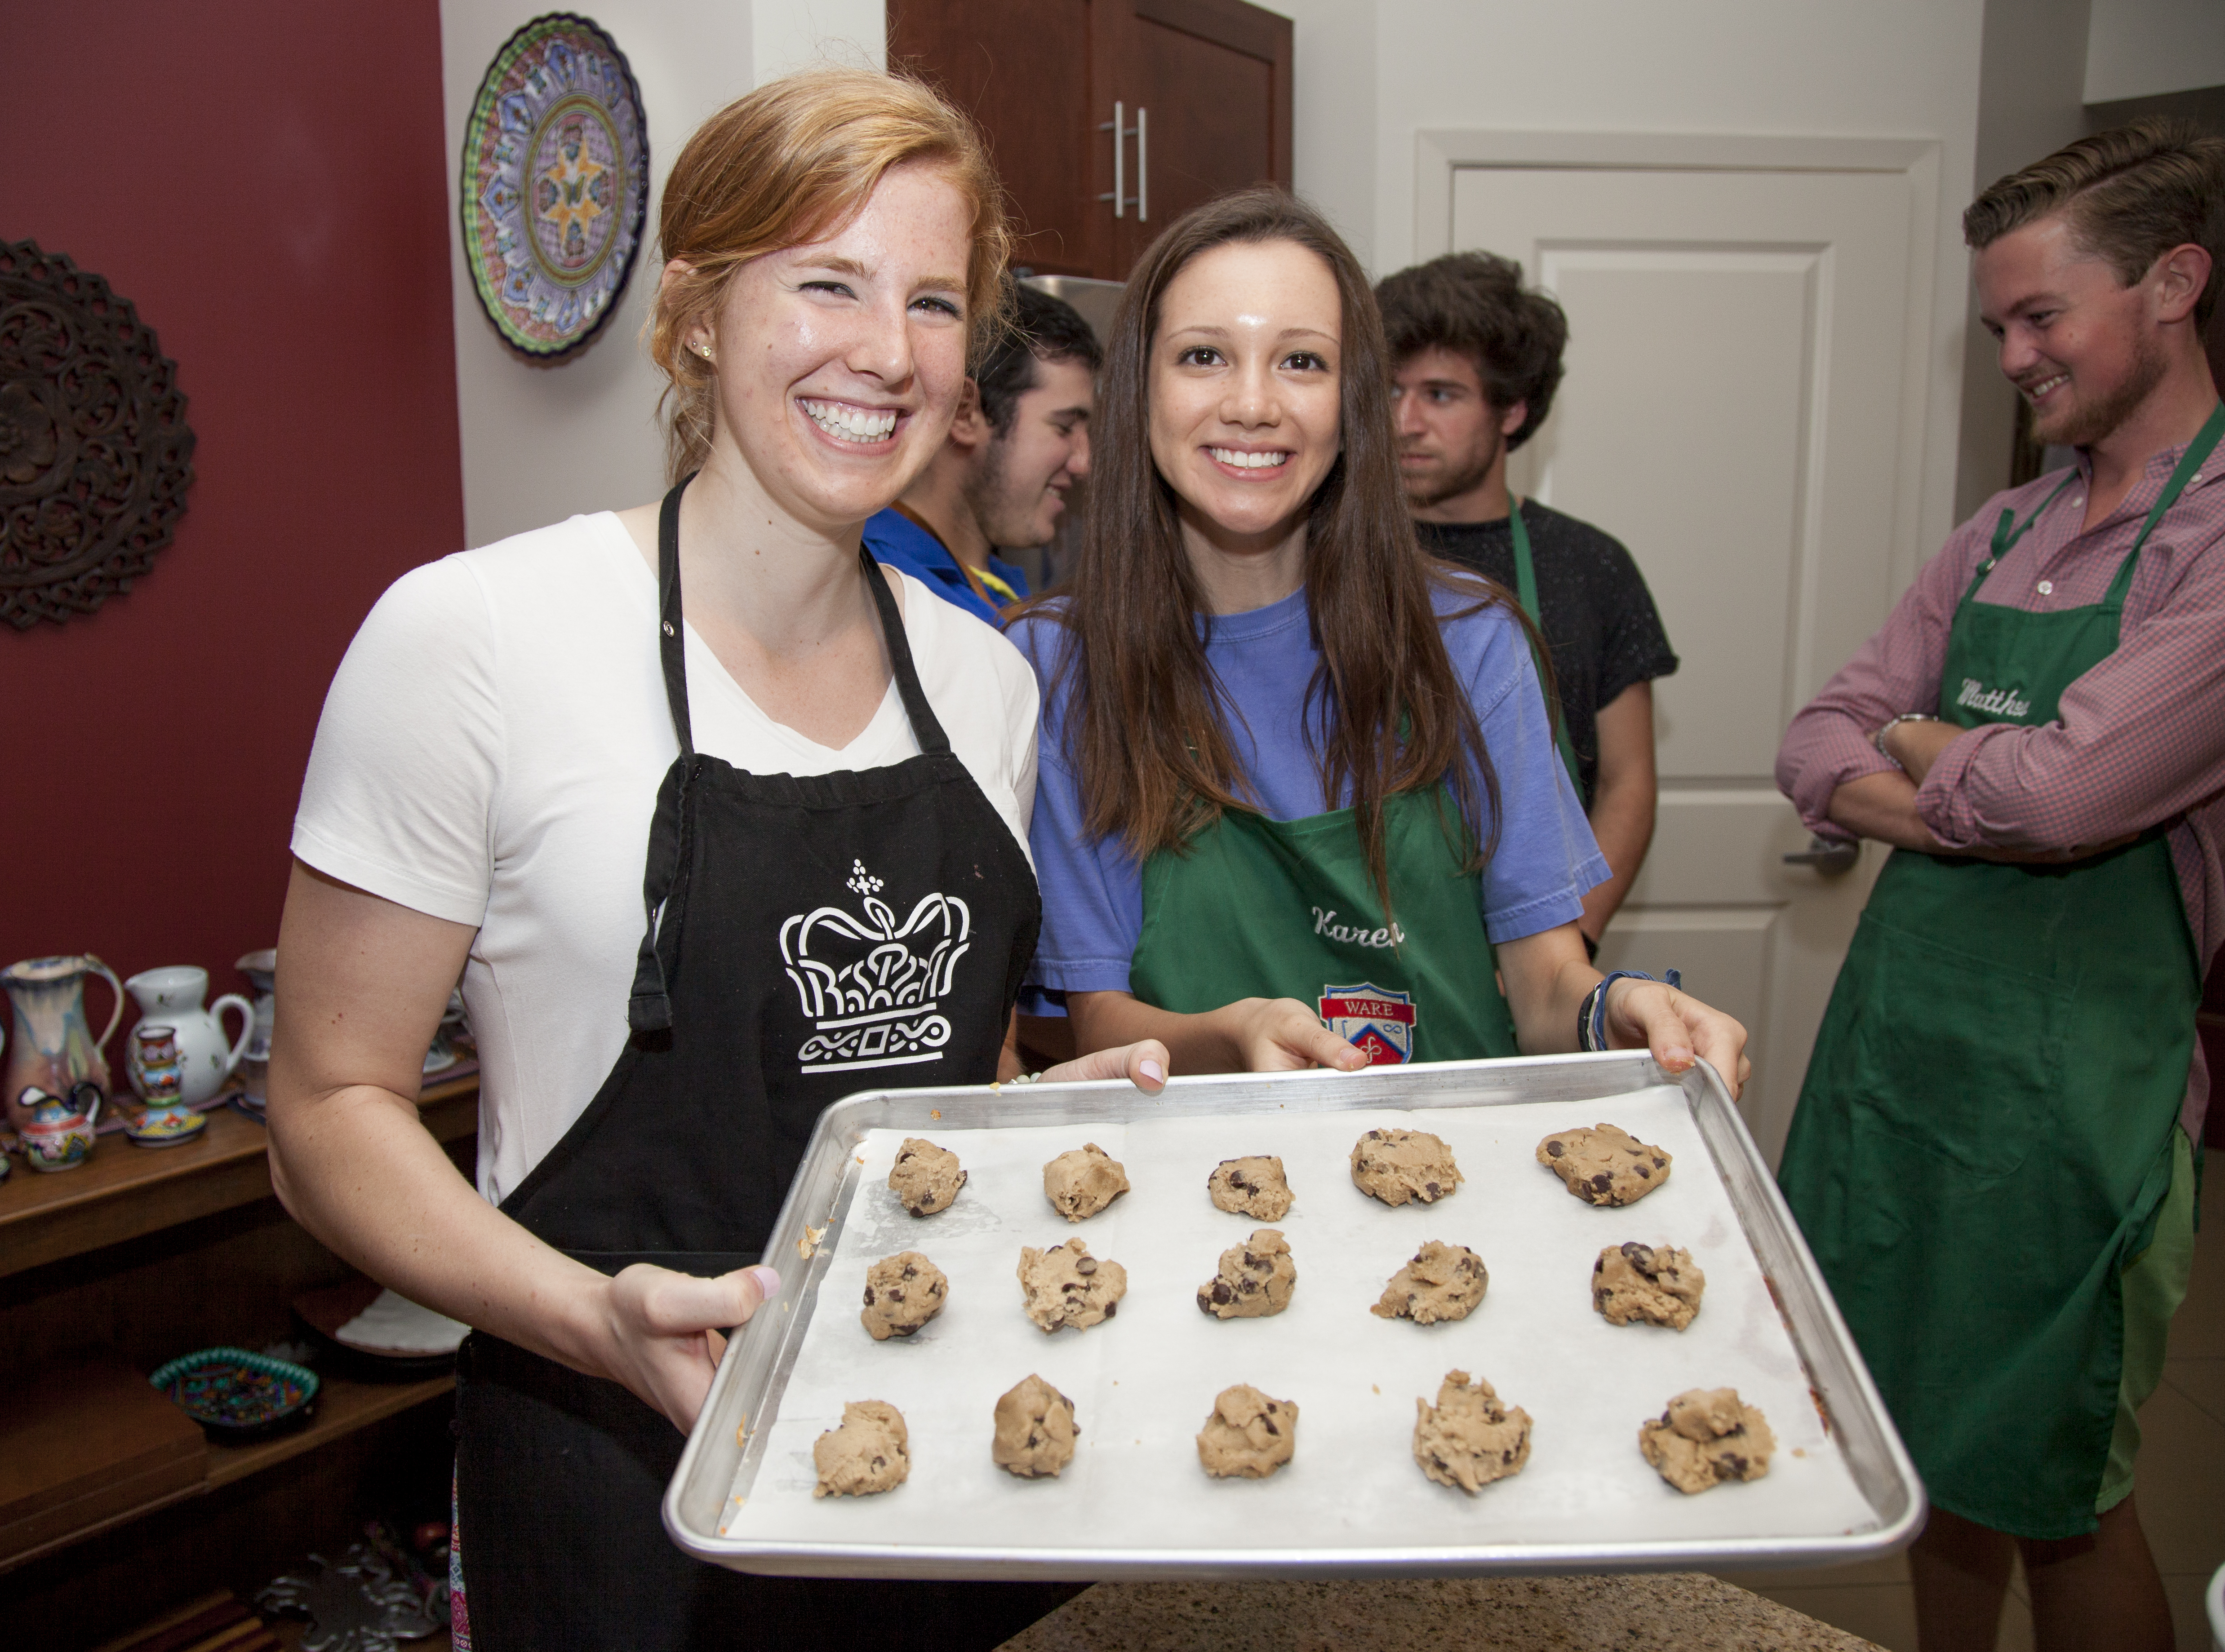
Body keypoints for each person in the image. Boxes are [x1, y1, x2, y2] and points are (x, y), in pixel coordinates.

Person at [266, 68, 1167, 1652]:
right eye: (826, 281)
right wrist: (590, 1318)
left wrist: (1035, 1121)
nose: (884, 352)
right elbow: (325, 1111)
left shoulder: (987, 682)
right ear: (691, 310)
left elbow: (897, 1079)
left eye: (933, 301)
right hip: (611, 1459)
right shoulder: (474, 640)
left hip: (947, 1441)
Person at [1774, 120, 2224, 1652]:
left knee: (2055, 1484)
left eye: (2042, 317)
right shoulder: (2008, 524)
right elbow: (1812, 738)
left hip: (2080, 1091)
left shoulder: (2216, 532)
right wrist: (1962, 766)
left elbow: (2069, 799)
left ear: (2172, 284)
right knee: (1916, 1448)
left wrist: (1925, 755)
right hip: (1901, 1068)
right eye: (1995, 327)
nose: (2014, 355)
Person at [1013, 186, 1747, 1090]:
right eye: (1203, 356)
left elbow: (1544, 985)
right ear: (1138, 389)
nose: (1252, 403)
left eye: (1301, 362)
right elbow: (1101, 1015)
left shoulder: (1471, 644)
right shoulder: (1058, 664)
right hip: (1193, 1179)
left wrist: (1612, 1007)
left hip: (1451, 1180)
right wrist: (1239, 1029)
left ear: (1351, 403)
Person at [1376, 252, 1679, 957]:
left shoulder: (1590, 565)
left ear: (1511, 410)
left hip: (1531, 945)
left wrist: (1564, 945)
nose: (1405, 422)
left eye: (1440, 395)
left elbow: (1627, 783)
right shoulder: (1325, 555)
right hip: (1360, 947)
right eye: (1388, 392)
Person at [863, 281, 1100, 624]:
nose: (1084, 464)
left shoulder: (1002, 591)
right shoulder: (880, 590)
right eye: (1063, 428)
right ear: (964, 413)